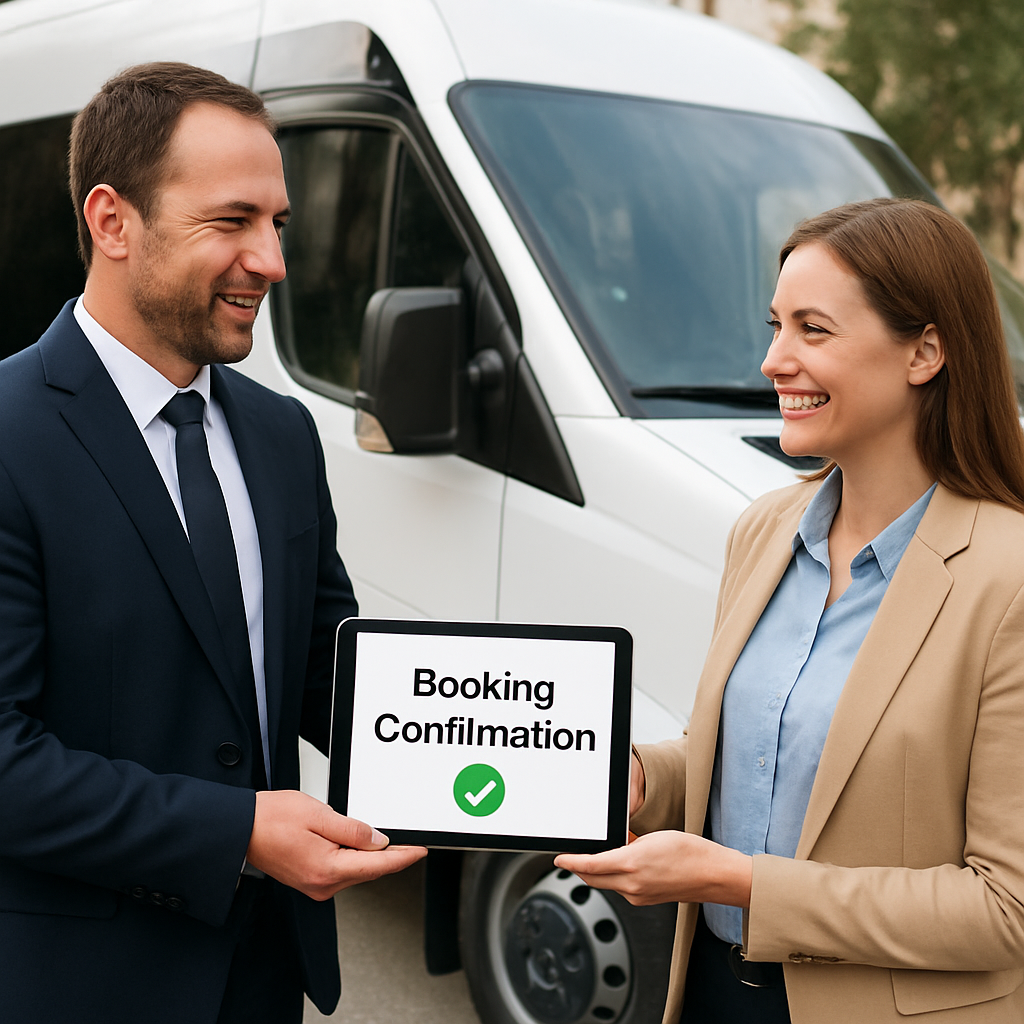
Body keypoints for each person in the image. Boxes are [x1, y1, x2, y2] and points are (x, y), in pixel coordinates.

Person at [0, 62, 425, 1024]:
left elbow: (330, 668)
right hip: (78, 986)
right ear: (112, 222)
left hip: (265, 975)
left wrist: (544, 752)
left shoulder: (280, 434)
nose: (271, 260)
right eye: (232, 222)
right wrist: (239, 830)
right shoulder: (8, 435)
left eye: (277, 224)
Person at [555, 198, 1024, 1023]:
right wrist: (640, 780)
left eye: (813, 329)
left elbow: (1003, 909)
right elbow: (751, 755)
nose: (773, 360)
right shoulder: (765, 530)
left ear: (925, 351)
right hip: (707, 992)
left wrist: (735, 883)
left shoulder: (1007, 577)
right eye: (775, 326)